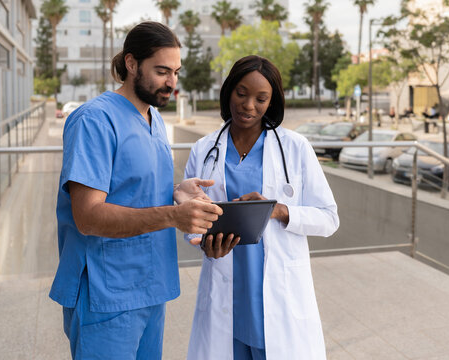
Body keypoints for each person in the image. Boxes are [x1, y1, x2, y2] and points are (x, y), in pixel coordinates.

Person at [49, 21, 223, 360]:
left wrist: (176, 191)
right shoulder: (94, 120)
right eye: (161, 71)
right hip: (107, 294)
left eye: (176, 72)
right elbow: (88, 216)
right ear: (131, 64)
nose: (171, 82)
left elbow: (129, 188)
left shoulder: (154, 119)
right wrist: (175, 216)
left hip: (151, 287)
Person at [183, 55, 340, 360]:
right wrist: (203, 244)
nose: (248, 105)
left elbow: (329, 218)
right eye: (241, 93)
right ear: (228, 91)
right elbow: (188, 220)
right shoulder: (204, 150)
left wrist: (280, 210)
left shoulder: (295, 147)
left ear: (272, 102)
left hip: (278, 299)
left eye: (261, 98)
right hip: (226, 294)